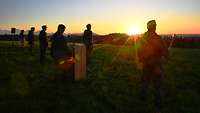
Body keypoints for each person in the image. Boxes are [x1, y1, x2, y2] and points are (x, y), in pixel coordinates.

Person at [138, 20, 168, 111]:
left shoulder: (143, 37)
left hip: (146, 64)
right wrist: (166, 53)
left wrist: (142, 59)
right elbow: (165, 52)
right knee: (157, 84)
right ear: (153, 27)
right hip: (156, 65)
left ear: (147, 27)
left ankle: (142, 99)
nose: (155, 27)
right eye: (155, 26)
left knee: (144, 82)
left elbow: (139, 51)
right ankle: (158, 103)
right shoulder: (158, 38)